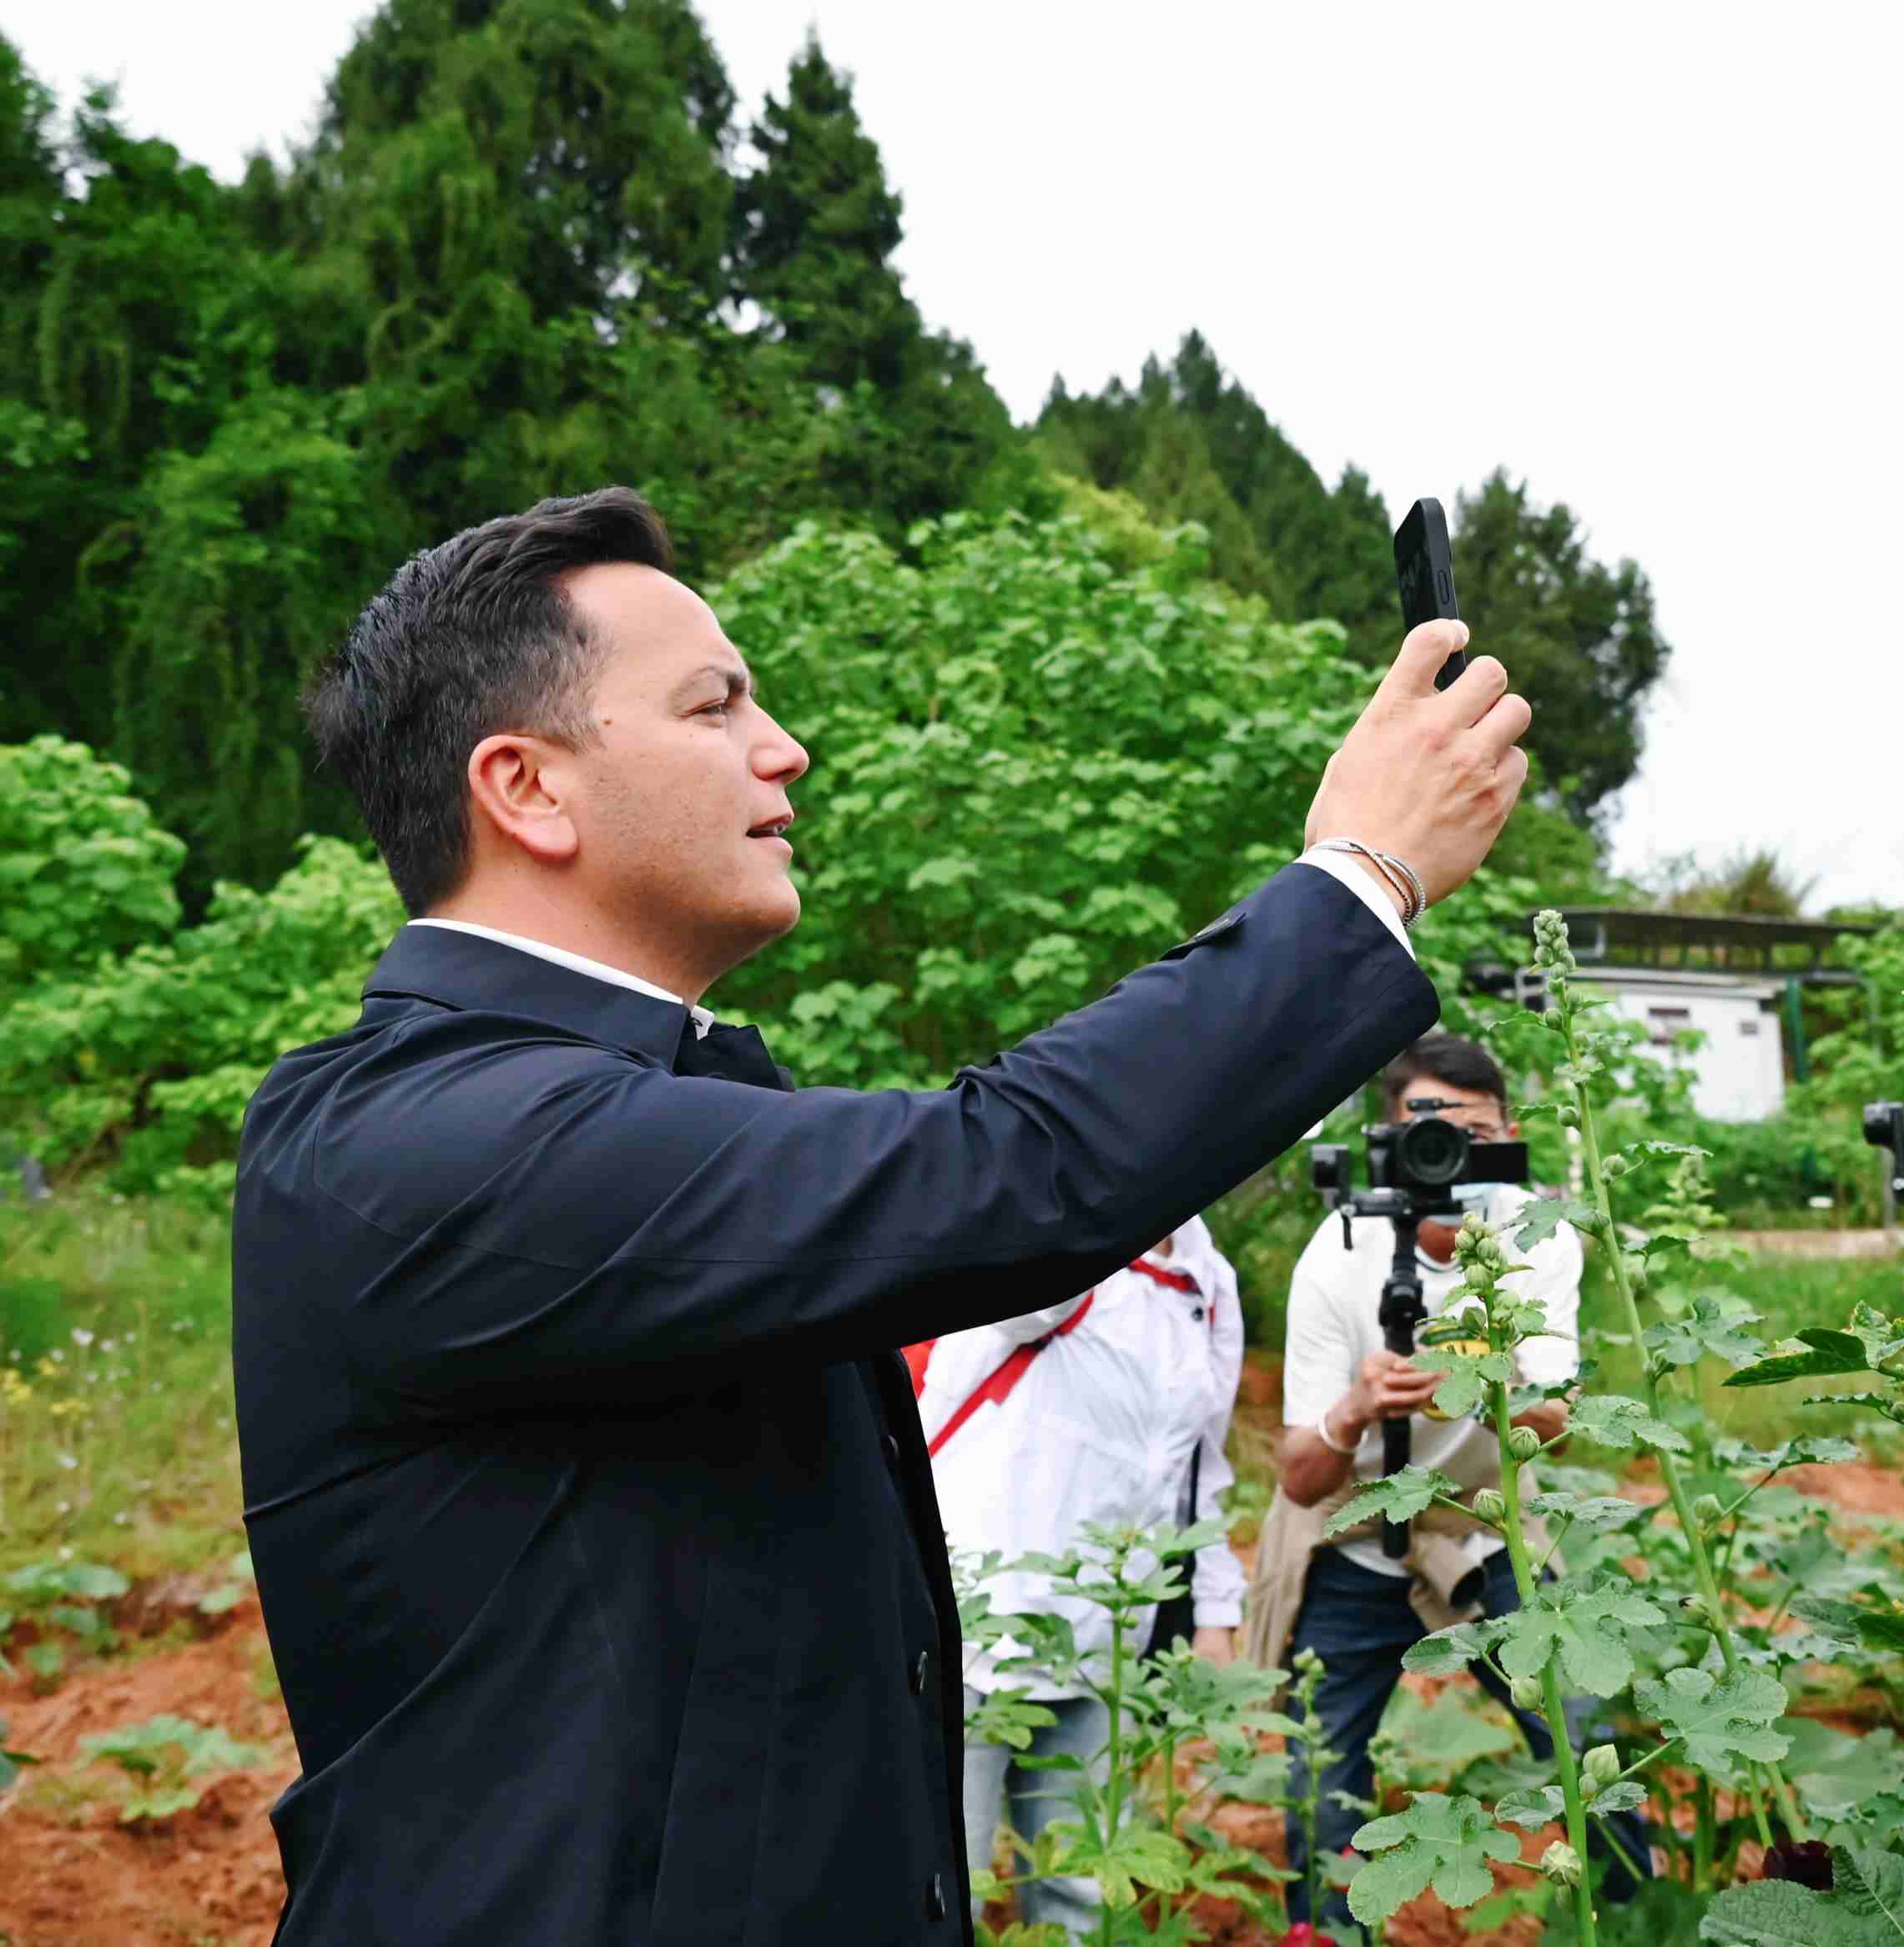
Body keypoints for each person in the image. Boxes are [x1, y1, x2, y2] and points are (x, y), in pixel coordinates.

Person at [229, 487, 1530, 1945]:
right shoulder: (413, 1134)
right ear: (527, 787)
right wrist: (1362, 875)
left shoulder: (635, 1098)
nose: (784, 748)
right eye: (717, 704)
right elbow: (1002, 1172)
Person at [1247, 1032, 1650, 1934]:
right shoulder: (1339, 1249)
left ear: (1506, 1133)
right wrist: (1354, 1408)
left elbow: (1557, 1416)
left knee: (1584, 1746)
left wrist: (1472, 1371)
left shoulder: (1535, 1237)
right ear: (1387, 1138)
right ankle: (1327, 1928)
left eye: (1469, 1132)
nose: (1449, 1155)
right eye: (1425, 1130)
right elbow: (1300, 1479)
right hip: (1356, 1535)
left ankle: (1632, 1921)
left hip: (1482, 1520)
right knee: (1321, 1785)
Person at [921, 1217, 1244, 1934]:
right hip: (971, 1628)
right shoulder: (1066, 1232)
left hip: (1105, 1644)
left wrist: (1215, 1609)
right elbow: (1014, 1283)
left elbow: (1202, 1466)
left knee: (1078, 1896)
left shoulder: (1208, 1283)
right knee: (944, 1892)